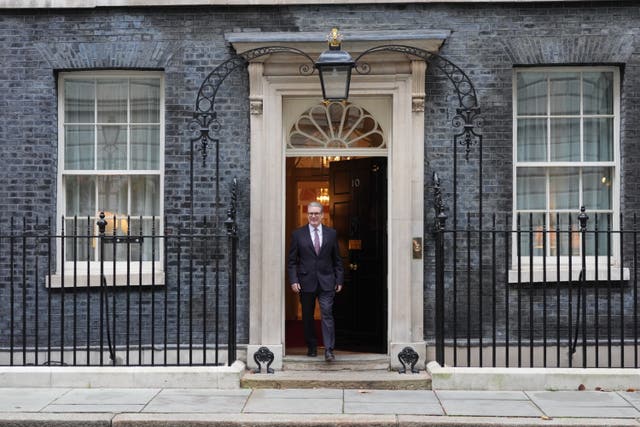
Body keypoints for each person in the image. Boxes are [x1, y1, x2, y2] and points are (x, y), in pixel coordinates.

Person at [287, 201, 344, 362]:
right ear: (307, 214)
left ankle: (328, 350)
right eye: (310, 213)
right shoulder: (298, 234)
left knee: (327, 314)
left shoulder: (331, 233)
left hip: (327, 281)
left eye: (316, 213)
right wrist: (293, 280)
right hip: (305, 282)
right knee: (307, 316)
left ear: (322, 215)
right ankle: (311, 346)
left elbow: (337, 259)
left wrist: (339, 279)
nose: (313, 216)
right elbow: (292, 261)